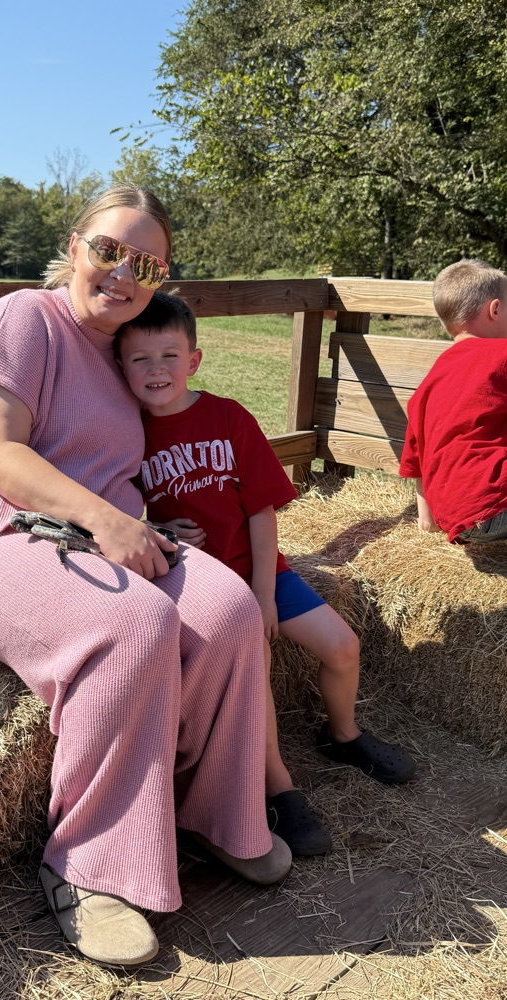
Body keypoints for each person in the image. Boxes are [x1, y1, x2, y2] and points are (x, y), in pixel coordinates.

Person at [0, 187, 292, 969]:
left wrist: (154, 524)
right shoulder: (26, 317)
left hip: (108, 537)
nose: (123, 274)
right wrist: (111, 522)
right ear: (76, 245)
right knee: (136, 625)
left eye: (146, 265)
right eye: (110, 251)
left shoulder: (126, 346)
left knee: (225, 609)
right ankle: (85, 869)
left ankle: (214, 816)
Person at [115, 291, 416, 858]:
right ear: (122, 366)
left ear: (194, 360)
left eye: (169, 356)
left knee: (343, 647)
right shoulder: (128, 435)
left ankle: (343, 735)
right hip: (197, 585)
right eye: (140, 359)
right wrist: (158, 528)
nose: (157, 371)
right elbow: (116, 514)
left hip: (261, 574)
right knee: (255, 674)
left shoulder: (228, 417)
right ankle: (279, 789)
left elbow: (260, 510)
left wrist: (262, 596)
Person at [400, 257, 507, 543]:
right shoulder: (502, 354)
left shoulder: (433, 378)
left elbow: (415, 455)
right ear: (495, 310)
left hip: (458, 518)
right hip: (497, 500)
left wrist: (427, 518)